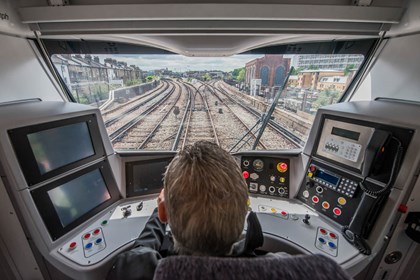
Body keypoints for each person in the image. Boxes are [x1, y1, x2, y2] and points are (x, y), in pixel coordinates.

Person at [107, 141, 262, 279]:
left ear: (163, 212)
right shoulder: (282, 268)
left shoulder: (131, 270)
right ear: (244, 212)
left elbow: (140, 255)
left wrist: (161, 207)